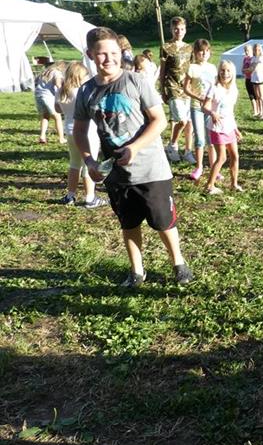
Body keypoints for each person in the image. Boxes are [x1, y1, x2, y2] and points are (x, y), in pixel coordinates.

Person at [73, 26, 193, 288]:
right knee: (128, 223)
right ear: (90, 55)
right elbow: (79, 131)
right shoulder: (86, 92)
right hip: (116, 174)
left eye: (114, 52)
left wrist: (135, 148)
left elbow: (159, 120)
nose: (109, 58)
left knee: (163, 221)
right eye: (102, 53)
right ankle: (137, 271)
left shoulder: (136, 81)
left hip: (151, 170)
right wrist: (89, 161)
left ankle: (179, 264)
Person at [55, 61, 106, 209]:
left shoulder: (62, 91)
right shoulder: (84, 91)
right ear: (80, 76)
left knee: (74, 164)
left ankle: (70, 195)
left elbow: (57, 109)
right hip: (87, 132)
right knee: (89, 164)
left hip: (70, 131)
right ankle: (90, 197)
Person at [203, 60, 243, 195]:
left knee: (235, 155)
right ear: (218, 72)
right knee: (222, 157)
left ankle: (234, 184)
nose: (225, 73)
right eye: (222, 70)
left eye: (228, 71)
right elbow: (205, 107)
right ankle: (209, 186)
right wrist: (212, 113)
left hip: (229, 126)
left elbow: (230, 112)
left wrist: (235, 129)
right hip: (217, 127)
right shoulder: (214, 88)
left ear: (233, 73)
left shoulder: (233, 90)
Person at [182, 39, 218, 182]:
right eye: (201, 51)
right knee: (199, 138)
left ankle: (214, 167)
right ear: (196, 53)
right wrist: (198, 97)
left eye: (206, 51)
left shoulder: (213, 68)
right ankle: (199, 167)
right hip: (196, 107)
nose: (204, 54)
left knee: (211, 139)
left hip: (210, 108)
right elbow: (186, 88)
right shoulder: (192, 68)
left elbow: (216, 86)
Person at [160, 16, 195, 165]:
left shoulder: (189, 48)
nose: (179, 32)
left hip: (186, 87)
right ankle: (173, 145)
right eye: (176, 29)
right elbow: (163, 70)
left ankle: (188, 150)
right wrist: (162, 89)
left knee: (189, 122)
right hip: (172, 86)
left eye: (181, 29)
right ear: (171, 29)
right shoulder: (166, 47)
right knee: (181, 120)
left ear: (185, 30)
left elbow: (192, 68)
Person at [34, 61, 66, 144]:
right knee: (57, 117)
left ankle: (42, 136)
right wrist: (63, 93)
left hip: (38, 95)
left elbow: (35, 82)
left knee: (45, 116)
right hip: (48, 96)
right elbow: (58, 84)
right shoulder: (57, 72)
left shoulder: (44, 72)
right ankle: (61, 138)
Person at [249, 43, 263, 120]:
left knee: (261, 96)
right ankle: (260, 111)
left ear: (260, 50)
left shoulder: (261, 58)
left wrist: (253, 66)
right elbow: (251, 67)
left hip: (260, 78)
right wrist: (252, 67)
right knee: (257, 96)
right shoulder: (253, 58)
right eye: (255, 49)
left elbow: (256, 67)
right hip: (254, 78)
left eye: (258, 49)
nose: (256, 51)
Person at [241, 44, 258, 117]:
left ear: (251, 50)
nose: (246, 52)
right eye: (245, 50)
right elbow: (242, 69)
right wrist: (246, 70)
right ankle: (255, 111)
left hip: (253, 79)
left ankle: (258, 110)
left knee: (256, 95)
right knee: (251, 96)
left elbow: (251, 69)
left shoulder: (253, 59)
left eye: (248, 50)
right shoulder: (245, 58)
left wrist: (246, 70)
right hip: (247, 79)